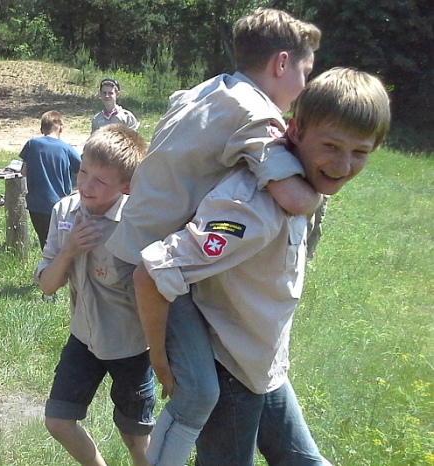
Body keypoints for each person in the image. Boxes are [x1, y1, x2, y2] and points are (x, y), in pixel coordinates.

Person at [133, 67, 391, 466]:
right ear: (295, 131)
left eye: (360, 152)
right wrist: (160, 361)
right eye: (332, 146)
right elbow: (153, 272)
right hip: (231, 366)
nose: (343, 165)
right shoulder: (253, 207)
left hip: (261, 362)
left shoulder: (300, 191)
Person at [105, 8, 322, 465]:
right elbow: (295, 197)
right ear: (281, 63)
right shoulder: (256, 115)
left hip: (136, 244)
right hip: (157, 265)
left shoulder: (207, 90)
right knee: (198, 392)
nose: (304, 86)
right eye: (305, 71)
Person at [36, 124, 153, 466]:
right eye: (83, 172)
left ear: (126, 186)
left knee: (136, 438)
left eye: (100, 181)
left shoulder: (137, 223)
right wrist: (69, 249)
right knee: (58, 421)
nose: (86, 186)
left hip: (131, 346)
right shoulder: (64, 213)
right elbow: (47, 286)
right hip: (84, 338)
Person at [20, 110, 81, 249]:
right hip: (60, 206)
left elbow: (23, 172)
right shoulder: (67, 149)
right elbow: (82, 172)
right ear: (61, 128)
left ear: (42, 129)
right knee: (61, 245)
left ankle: (47, 269)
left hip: (36, 205)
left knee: (45, 244)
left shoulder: (32, 144)